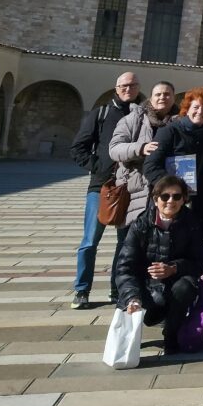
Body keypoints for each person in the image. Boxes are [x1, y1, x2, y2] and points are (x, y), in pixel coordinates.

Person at [69, 72, 140, 309]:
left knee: (125, 244)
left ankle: (116, 289)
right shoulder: (102, 113)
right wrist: (97, 167)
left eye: (133, 85)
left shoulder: (140, 114)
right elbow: (78, 147)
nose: (128, 89)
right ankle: (81, 290)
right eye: (124, 85)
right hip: (101, 186)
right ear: (116, 88)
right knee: (90, 240)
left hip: (129, 187)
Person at [114, 175, 203, 355]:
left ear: (184, 200)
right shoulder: (140, 225)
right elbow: (124, 268)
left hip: (176, 282)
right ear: (155, 200)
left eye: (177, 196)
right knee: (130, 298)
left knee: (185, 287)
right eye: (165, 196)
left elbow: (199, 263)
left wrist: (174, 268)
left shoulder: (191, 223)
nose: (171, 201)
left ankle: (171, 335)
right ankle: (136, 330)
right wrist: (132, 297)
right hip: (146, 284)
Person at [145, 88, 203, 239]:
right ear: (186, 110)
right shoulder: (169, 131)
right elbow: (151, 167)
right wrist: (175, 191)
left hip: (196, 206)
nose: (200, 112)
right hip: (170, 202)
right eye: (196, 107)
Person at [109, 81, 176, 234]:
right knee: (126, 246)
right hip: (134, 191)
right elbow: (114, 149)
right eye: (158, 94)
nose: (162, 97)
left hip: (166, 195)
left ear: (173, 98)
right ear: (151, 98)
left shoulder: (179, 122)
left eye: (167, 94)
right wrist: (140, 148)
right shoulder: (133, 119)